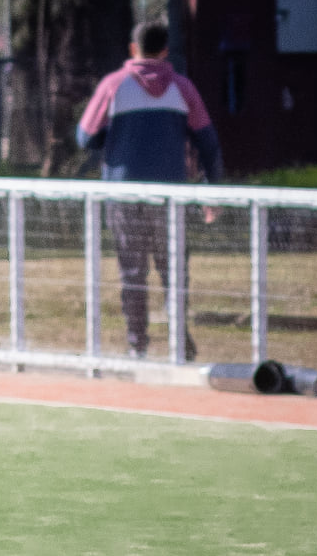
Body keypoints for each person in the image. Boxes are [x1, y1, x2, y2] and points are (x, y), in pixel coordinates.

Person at [77, 22, 222, 360]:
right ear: (164, 50)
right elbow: (209, 142)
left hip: (124, 197)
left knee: (132, 272)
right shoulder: (183, 88)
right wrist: (211, 190)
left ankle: (136, 344)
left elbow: (85, 137)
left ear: (133, 49)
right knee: (174, 270)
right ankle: (178, 342)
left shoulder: (113, 86)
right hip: (172, 198)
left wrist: (113, 140)